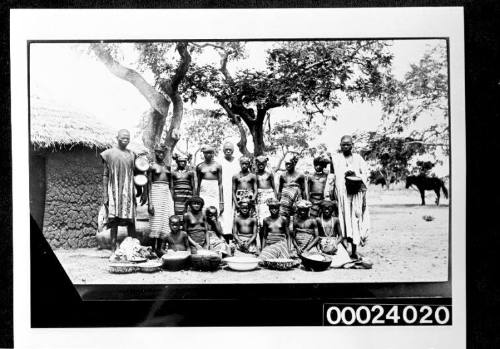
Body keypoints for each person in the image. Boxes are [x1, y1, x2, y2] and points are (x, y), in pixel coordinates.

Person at [330, 135, 370, 260]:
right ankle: (345, 251)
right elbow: (331, 178)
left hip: (355, 196)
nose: (345, 146)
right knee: (343, 222)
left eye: (348, 144)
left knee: (355, 222)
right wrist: (331, 195)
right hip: (342, 197)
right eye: (343, 144)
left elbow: (366, 174)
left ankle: (354, 250)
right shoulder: (335, 159)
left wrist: (354, 174)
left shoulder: (358, 158)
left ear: (352, 145)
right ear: (340, 145)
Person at [100, 129, 137, 252]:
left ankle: (133, 246)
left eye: (128, 137)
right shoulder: (109, 154)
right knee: (114, 219)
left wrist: (139, 190)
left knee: (131, 219)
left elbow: (137, 175)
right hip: (114, 191)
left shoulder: (132, 154)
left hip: (128, 192)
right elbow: (105, 175)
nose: (125, 139)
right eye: (123, 137)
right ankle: (113, 247)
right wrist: (105, 194)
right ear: (117, 138)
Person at [147, 144, 175, 256]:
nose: (161, 154)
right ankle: (153, 249)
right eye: (158, 152)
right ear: (155, 153)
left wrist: (171, 198)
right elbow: (148, 184)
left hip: (166, 193)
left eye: (163, 152)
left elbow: (171, 185)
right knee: (156, 220)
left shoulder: (168, 167)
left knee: (165, 220)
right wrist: (150, 203)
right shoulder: (151, 166)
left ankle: (160, 248)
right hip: (155, 192)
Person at [220, 142, 241, 238]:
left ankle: (234, 234)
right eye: (226, 149)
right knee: (224, 211)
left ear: (233, 151)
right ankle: (225, 234)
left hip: (236, 189)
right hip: (224, 189)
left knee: (235, 210)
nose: (228, 151)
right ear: (223, 150)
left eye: (230, 149)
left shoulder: (237, 161)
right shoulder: (220, 161)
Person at [277, 154, 307, 220]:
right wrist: (277, 202)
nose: (287, 166)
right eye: (286, 164)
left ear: (294, 164)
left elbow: (303, 190)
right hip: (285, 201)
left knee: (297, 217)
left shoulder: (300, 175)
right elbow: (279, 190)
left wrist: (305, 202)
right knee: (284, 218)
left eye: (289, 164)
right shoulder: (282, 176)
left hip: (296, 200)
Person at [196, 145, 223, 216]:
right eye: (206, 153)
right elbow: (198, 184)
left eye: (210, 153)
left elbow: (220, 184)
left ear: (213, 154)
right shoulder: (200, 166)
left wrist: (221, 202)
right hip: (203, 192)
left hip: (214, 192)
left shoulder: (218, 166)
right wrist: (197, 199)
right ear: (203, 154)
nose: (208, 155)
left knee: (214, 213)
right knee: (203, 213)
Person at [254, 155, 277, 237]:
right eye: (259, 164)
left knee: (270, 217)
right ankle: (261, 240)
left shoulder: (269, 174)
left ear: (265, 164)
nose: (261, 165)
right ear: (256, 164)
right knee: (261, 220)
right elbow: (255, 188)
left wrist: (276, 198)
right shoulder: (255, 175)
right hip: (260, 197)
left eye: (262, 163)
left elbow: (274, 187)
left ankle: (270, 239)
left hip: (269, 196)